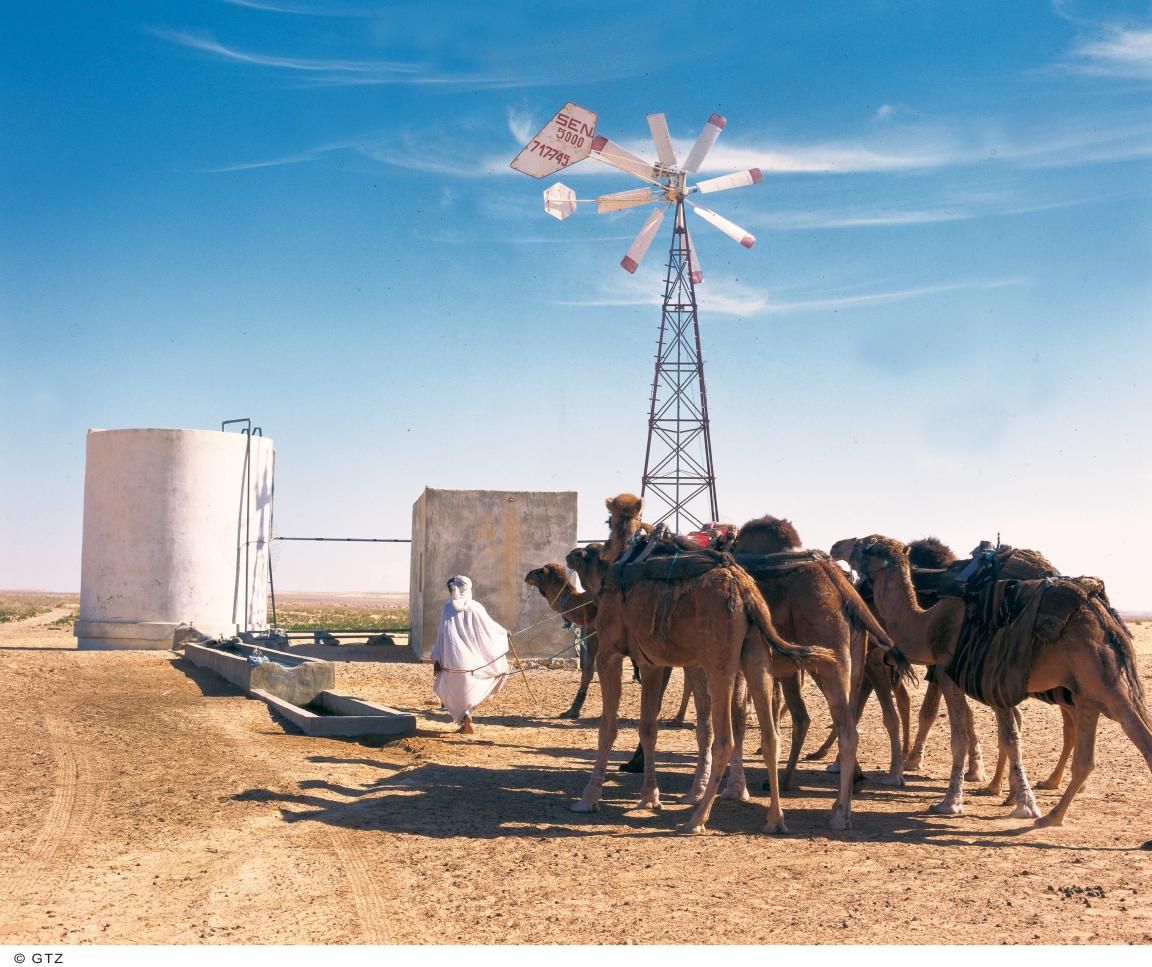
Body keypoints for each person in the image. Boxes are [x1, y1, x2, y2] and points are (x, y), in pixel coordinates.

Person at [430, 575, 510, 734]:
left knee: (453, 690)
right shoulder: (475, 607)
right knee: (471, 688)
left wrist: (437, 656)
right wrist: (504, 634)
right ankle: (468, 717)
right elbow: (489, 629)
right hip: (473, 660)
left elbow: (443, 635)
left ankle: (465, 718)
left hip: (451, 661)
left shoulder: (447, 608)